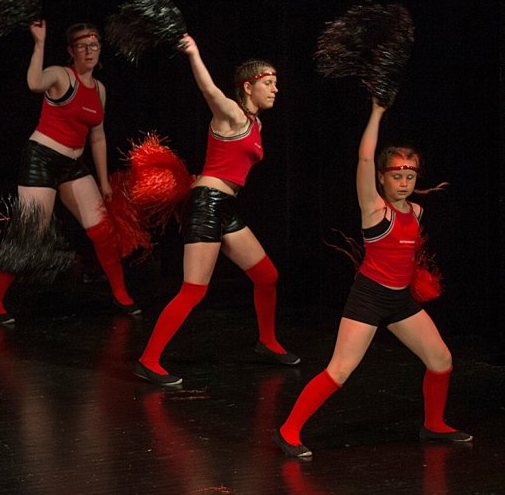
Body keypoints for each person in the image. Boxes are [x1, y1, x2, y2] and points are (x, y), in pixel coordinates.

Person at [274, 102, 469, 458]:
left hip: (400, 300)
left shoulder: (417, 212)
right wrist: (377, 113)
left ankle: (434, 424)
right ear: (381, 177)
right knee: (341, 370)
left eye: (410, 177)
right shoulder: (375, 210)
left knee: (441, 359)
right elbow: (364, 158)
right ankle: (288, 431)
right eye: (396, 177)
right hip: (369, 298)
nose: (404, 184)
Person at [134, 34, 297, 387]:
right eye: (268, 83)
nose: (275, 90)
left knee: (267, 275)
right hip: (206, 204)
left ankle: (267, 342)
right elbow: (208, 89)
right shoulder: (232, 114)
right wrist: (194, 53)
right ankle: (148, 361)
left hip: (225, 207)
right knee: (194, 289)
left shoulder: (256, 124)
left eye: (276, 83)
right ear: (248, 87)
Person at [0, 21, 138, 324]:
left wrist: (104, 182)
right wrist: (39, 43)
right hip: (41, 159)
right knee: (31, 236)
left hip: (73, 165)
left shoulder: (100, 90)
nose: (89, 51)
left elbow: (98, 137)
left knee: (102, 230)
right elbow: (34, 83)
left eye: (94, 45)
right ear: (71, 51)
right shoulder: (60, 75)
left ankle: (120, 293)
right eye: (82, 46)